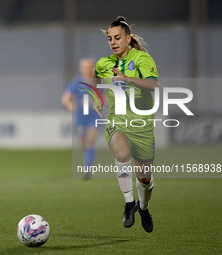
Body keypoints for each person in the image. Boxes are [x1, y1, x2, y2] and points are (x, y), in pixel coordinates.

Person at [92, 16, 160, 233]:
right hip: (117, 122)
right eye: (110, 38)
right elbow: (94, 76)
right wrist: (97, 98)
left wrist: (128, 79)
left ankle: (144, 207)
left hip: (142, 127)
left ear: (128, 39)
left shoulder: (141, 59)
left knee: (145, 179)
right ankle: (129, 203)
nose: (113, 42)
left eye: (117, 37)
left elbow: (154, 85)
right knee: (121, 153)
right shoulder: (105, 63)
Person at [62, 58, 100, 179]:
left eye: (89, 67)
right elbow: (65, 99)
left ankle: (87, 171)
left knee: (90, 142)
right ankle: (88, 160)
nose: (87, 69)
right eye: (84, 67)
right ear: (81, 68)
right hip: (80, 118)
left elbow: (105, 96)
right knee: (83, 144)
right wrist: (71, 106)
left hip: (94, 117)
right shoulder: (76, 82)